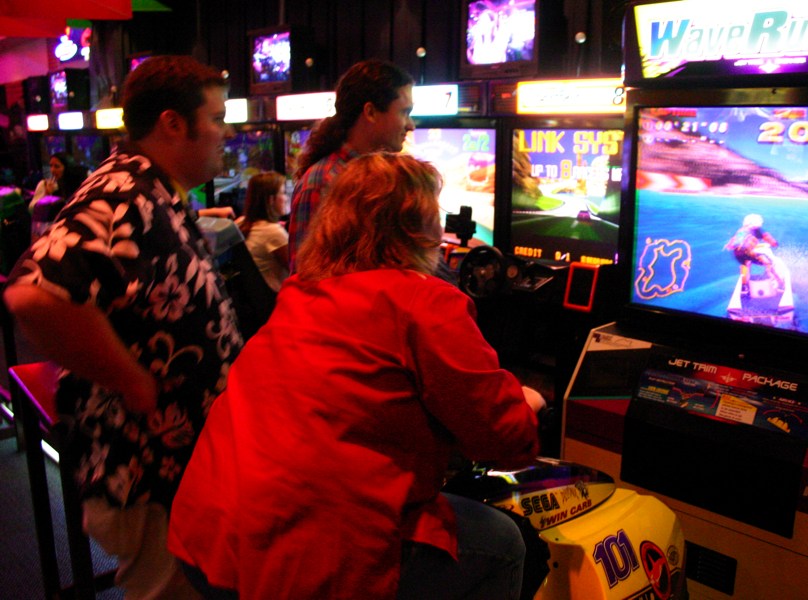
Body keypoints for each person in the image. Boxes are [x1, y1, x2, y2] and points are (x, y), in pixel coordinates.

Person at [168, 153, 546, 599]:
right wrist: (528, 402)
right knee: (503, 541)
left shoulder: (303, 292)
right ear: (418, 227)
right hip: (297, 557)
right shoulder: (425, 303)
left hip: (207, 534)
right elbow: (502, 440)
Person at [3, 55, 244, 599]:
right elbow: (32, 294)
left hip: (176, 459)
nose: (227, 132)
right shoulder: (122, 191)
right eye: (217, 116)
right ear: (173, 123)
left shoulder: (151, 188)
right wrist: (131, 380)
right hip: (150, 462)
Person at [287, 58, 415, 268]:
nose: (411, 125)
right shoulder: (325, 181)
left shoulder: (377, 176)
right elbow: (306, 277)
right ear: (370, 112)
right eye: (404, 112)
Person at [236, 171, 289, 292]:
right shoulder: (273, 232)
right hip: (277, 300)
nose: (286, 198)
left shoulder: (241, 223)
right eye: (283, 193)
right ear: (271, 200)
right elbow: (298, 270)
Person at [725, 213, 782, 295]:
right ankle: (779, 284)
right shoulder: (757, 230)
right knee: (769, 262)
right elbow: (770, 240)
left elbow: (737, 242)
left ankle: (744, 287)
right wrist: (775, 244)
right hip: (747, 251)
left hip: (737, 252)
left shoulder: (741, 230)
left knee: (745, 264)